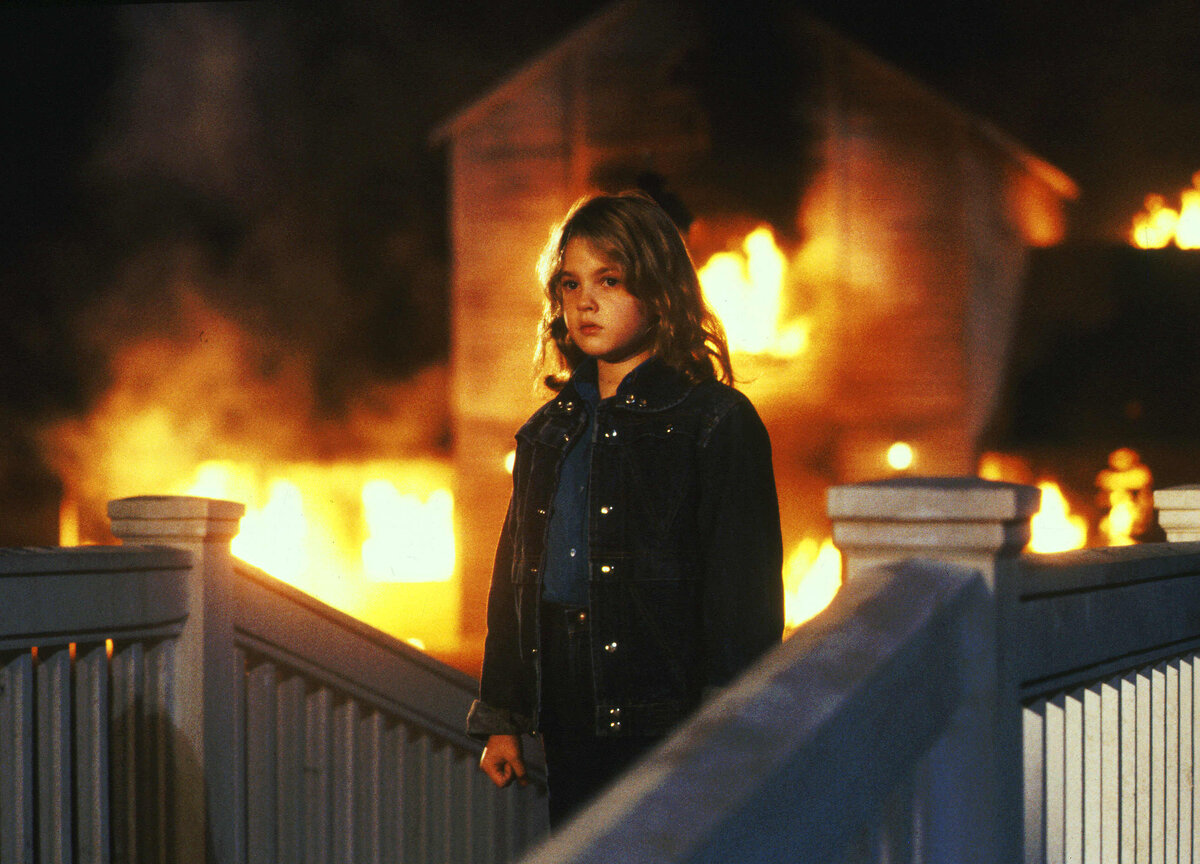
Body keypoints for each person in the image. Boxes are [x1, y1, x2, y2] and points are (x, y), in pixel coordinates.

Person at [466, 191, 783, 828]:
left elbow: (743, 593)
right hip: (566, 709)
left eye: (609, 280)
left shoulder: (712, 422)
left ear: (658, 289)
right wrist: (504, 718)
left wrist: (728, 721)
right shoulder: (547, 432)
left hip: (669, 711)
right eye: (571, 283)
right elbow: (516, 582)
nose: (586, 301)